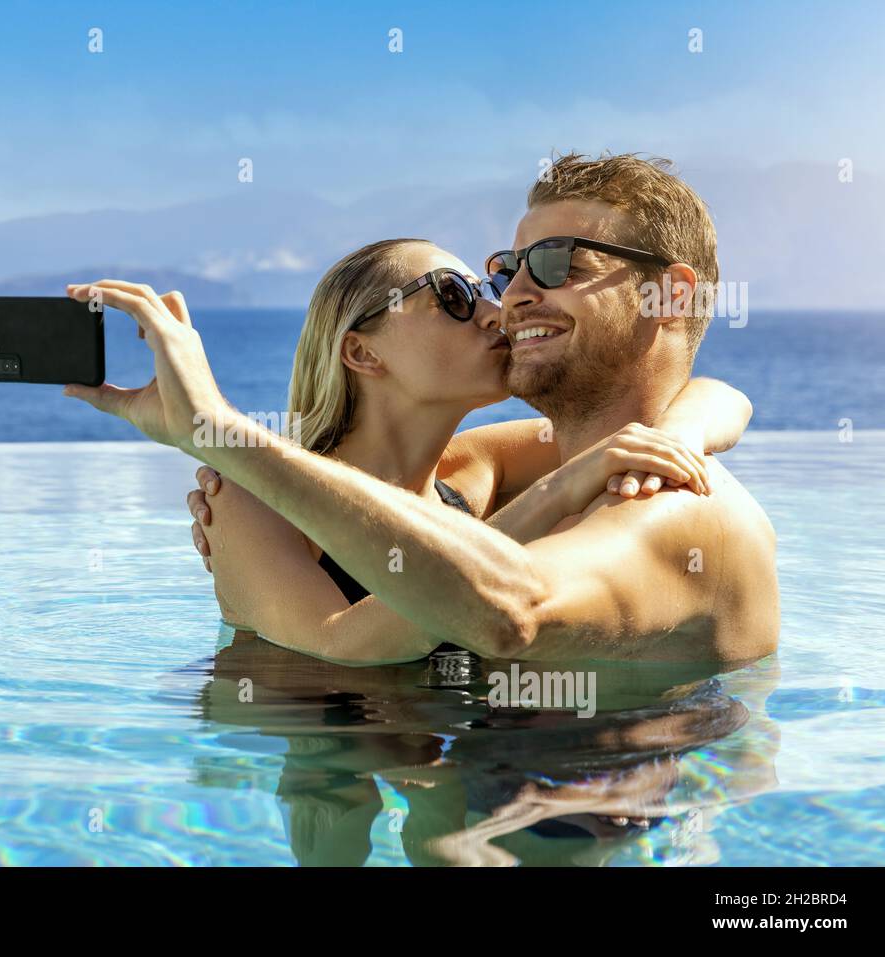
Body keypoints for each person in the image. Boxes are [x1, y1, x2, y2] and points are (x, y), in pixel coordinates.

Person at [65, 152, 779, 665]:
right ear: (362, 353)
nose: (510, 300)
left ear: (673, 297)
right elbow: (717, 398)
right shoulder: (535, 468)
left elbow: (509, 611)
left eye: (560, 264)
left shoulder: (664, 502)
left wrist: (222, 436)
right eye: (501, 274)